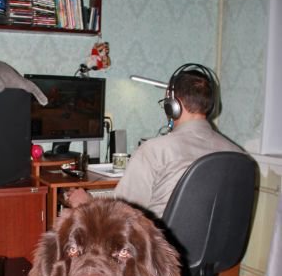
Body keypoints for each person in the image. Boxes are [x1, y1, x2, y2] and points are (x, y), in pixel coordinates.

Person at [67, 65, 243, 217]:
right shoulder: (238, 155)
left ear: (173, 106)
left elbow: (120, 215)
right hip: (218, 256)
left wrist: (87, 203)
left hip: (163, 254)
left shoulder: (154, 150)